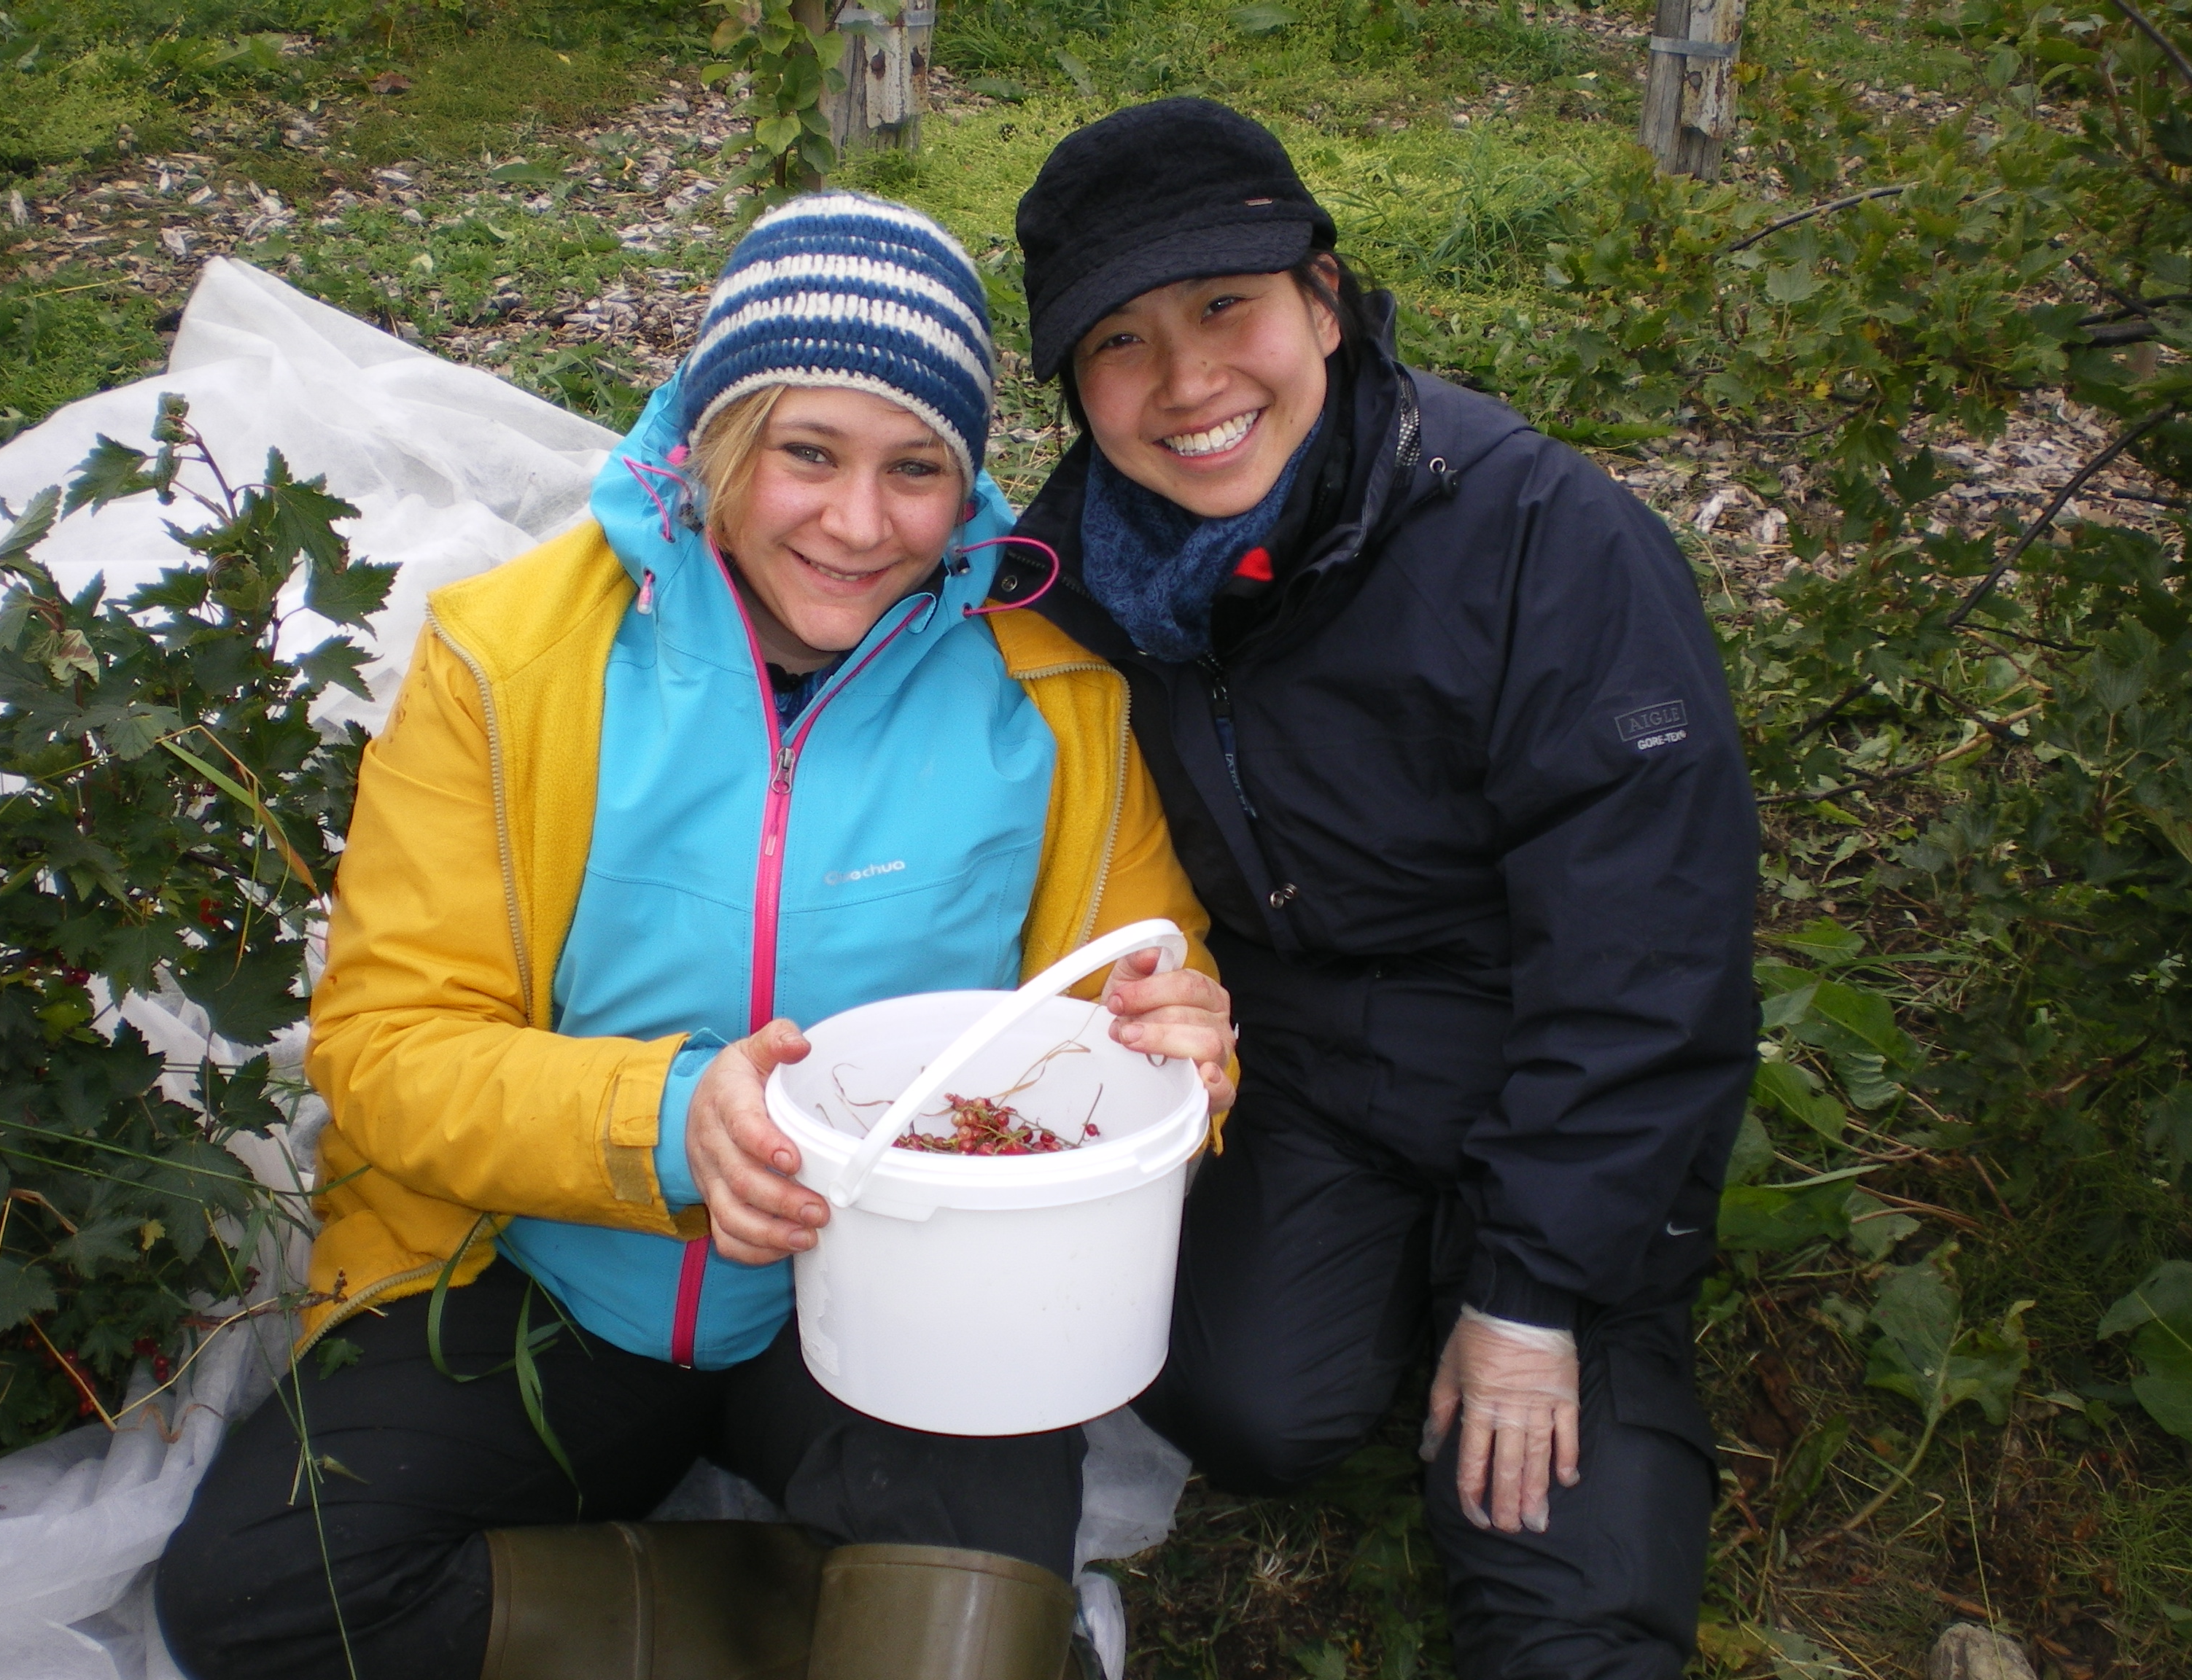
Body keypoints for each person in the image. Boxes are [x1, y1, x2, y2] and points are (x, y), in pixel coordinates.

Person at [155, 192, 1235, 1680]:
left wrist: (1184, 1048)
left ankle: (910, 1617)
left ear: (970, 484)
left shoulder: (1051, 701)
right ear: (719, 444)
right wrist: (670, 1126)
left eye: (916, 469)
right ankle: (848, 1620)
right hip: (537, 1275)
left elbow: (1138, 995)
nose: (860, 525)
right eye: (809, 453)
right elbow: (387, 1046)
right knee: (255, 1598)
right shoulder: (511, 662)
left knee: (966, 1618)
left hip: (896, 1300)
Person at [1000, 100, 1760, 1678]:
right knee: (1246, 1407)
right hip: (1311, 1070)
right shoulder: (1072, 587)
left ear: (1326, 304)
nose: (1189, 382)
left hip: (1554, 1053)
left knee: (1561, 1588)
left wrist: (1533, 1298)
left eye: (1229, 306)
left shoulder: (1545, 538)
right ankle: (1415, 1291)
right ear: (1073, 389)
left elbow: (1650, 953)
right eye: (1122, 341)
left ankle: (1569, 1298)